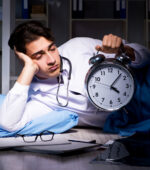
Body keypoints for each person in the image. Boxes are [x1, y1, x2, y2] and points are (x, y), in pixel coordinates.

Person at [0, 20, 149, 132]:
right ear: (24, 60)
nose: (51, 60)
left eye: (52, 49)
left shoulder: (78, 46)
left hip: (143, 89)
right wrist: (27, 69)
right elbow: (9, 122)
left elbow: (146, 55)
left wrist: (124, 50)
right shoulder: (40, 99)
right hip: (132, 121)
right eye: (38, 56)